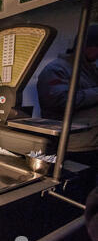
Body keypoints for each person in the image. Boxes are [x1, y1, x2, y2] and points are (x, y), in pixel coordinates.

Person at [37, 24, 98, 157]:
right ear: (88, 47)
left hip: (91, 142)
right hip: (73, 145)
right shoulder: (56, 69)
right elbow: (59, 100)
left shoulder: (90, 70)